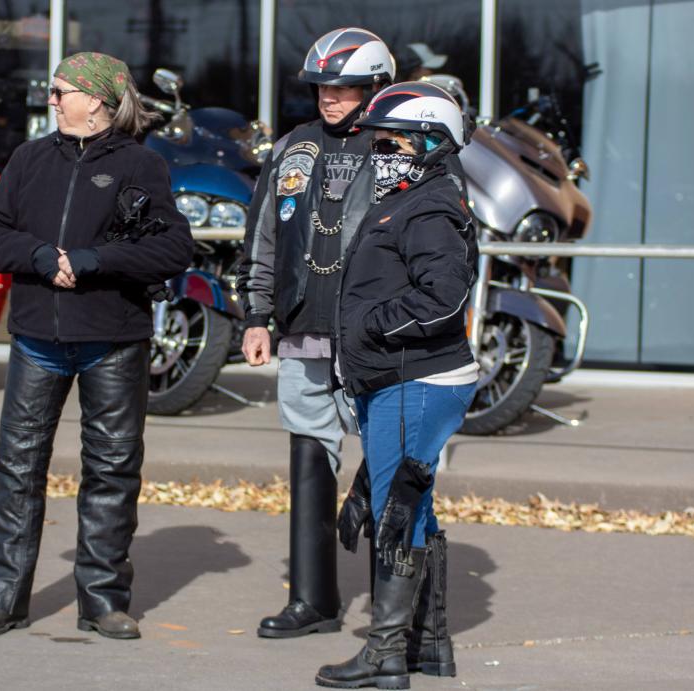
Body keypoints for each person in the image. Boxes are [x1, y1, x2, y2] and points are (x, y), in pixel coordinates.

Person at [0, 52, 193, 640]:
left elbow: (173, 248)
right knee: (17, 469)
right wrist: (42, 257)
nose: (51, 99)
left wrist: (94, 261)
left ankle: (103, 601)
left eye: (59, 90)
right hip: (37, 340)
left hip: (113, 341)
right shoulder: (29, 158)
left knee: (112, 472)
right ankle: (4, 600)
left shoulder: (142, 164)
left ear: (95, 100)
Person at [316, 81, 479, 688]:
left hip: (416, 379)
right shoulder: (407, 198)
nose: (378, 153)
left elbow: (445, 296)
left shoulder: (430, 207)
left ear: (430, 144)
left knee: (395, 511)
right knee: (413, 505)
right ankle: (429, 646)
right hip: (398, 379)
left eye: (390, 143)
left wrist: (371, 327)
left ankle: (384, 654)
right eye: (376, 143)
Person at [237, 27, 395, 639]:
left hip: (376, 336)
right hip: (303, 327)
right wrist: (256, 317)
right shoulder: (292, 147)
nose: (330, 97)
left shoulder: (402, 147)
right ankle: (313, 600)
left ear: (376, 87)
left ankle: (393, 615)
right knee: (308, 453)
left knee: (391, 467)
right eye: (321, 87)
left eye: (345, 87)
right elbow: (263, 237)